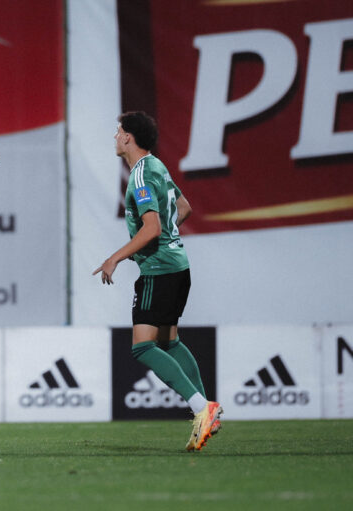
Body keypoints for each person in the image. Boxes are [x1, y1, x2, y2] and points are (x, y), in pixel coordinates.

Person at [92, 111, 222, 451]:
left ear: (128, 138)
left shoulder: (139, 175)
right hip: (178, 266)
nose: (115, 136)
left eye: (118, 131)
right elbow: (184, 207)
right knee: (168, 341)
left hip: (159, 270)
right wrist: (165, 239)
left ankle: (201, 407)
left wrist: (116, 257)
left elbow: (153, 228)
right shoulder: (157, 166)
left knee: (142, 347)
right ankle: (205, 414)